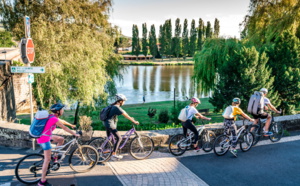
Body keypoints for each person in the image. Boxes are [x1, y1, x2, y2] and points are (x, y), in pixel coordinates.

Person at [37, 103, 79, 186]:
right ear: (58, 112)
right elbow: (64, 128)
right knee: (47, 160)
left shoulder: (52, 116)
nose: (63, 110)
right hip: (44, 139)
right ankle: (42, 182)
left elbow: (62, 122)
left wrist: (71, 125)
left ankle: (55, 157)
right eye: (62, 109)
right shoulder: (54, 119)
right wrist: (75, 134)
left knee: (61, 139)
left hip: (45, 136)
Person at [103, 94, 139, 160]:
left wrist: (131, 118)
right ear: (120, 101)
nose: (124, 102)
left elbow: (124, 112)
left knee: (110, 139)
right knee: (119, 138)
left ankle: (106, 151)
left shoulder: (113, 106)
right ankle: (114, 155)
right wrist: (134, 121)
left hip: (106, 124)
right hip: (110, 125)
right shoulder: (116, 107)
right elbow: (125, 115)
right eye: (124, 101)